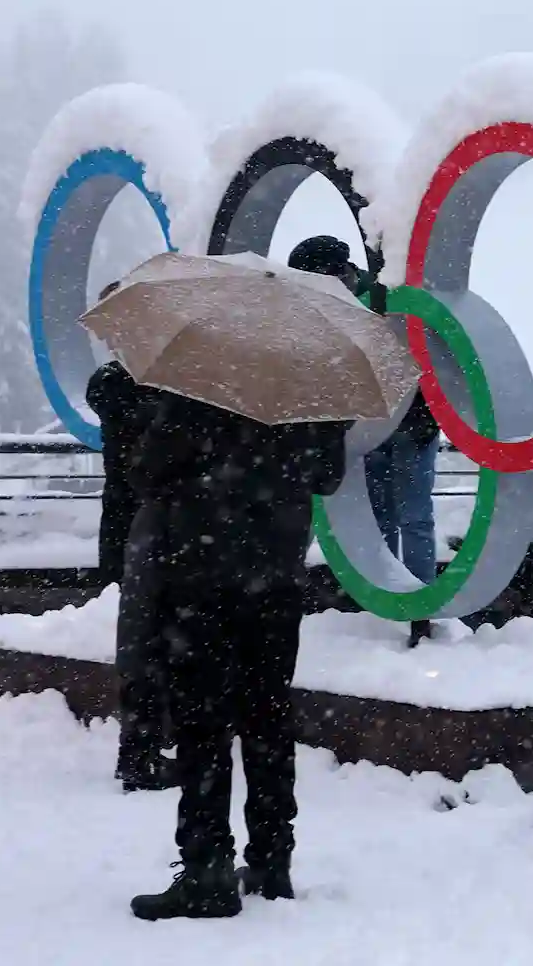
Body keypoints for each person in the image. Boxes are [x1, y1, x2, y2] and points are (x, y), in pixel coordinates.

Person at [127, 391, 347, 920]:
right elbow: (327, 476)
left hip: (202, 580)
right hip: (276, 581)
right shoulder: (312, 391)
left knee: (202, 727)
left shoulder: (200, 385)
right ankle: (271, 861)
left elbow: (146, 472)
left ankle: (207, 872)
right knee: (268, 719)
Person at [287, 236, 440, 646]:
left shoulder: (389, 298)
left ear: (336, 273)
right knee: (381, 517)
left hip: (409, 425)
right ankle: (384, 599)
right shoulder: (333, 306)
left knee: (412, 516)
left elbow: (423, 358)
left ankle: (419, 606)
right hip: (366, 428)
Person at [87, 283, 172, 792]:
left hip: (145, 530)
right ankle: (141, 752)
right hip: (142, 531)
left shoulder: (123, 384)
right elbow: (145, 460)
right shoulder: (121, 385)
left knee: (148, 643)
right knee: (146, 645)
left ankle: (146, 746)